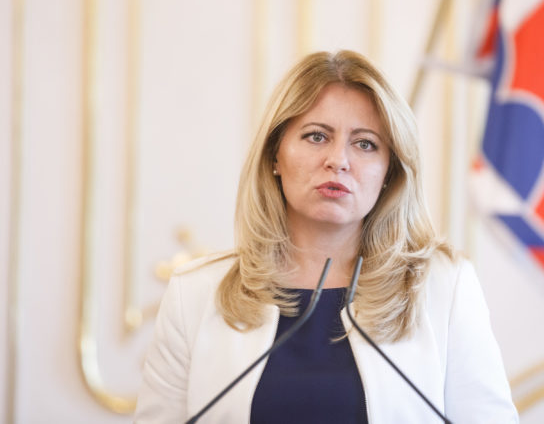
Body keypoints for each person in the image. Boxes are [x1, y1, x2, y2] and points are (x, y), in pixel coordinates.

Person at [134, 50, 518, 423]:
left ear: (388, 172)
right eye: (317, 136)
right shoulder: (194, 294)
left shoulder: (444, 288)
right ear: (274, 155)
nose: (339, 160)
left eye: (365, 144)